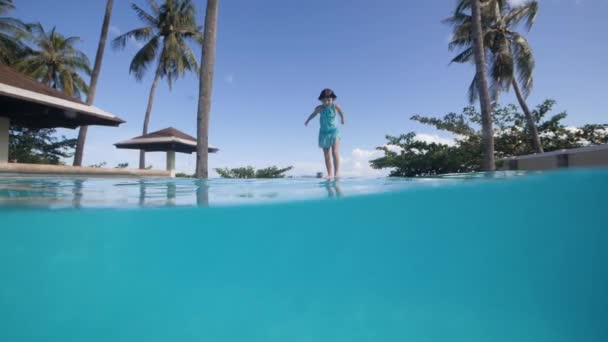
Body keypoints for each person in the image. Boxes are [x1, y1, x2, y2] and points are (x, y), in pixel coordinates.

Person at [304, 88, 345, 179]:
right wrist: (308, 120)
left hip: (334, 132)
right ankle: (330, 174)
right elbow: (313, 114)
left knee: (335, 151)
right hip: (323, 133)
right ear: (321, 100)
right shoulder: (319, 108)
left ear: (332, 99)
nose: (326, 102)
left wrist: (342, 119)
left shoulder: (335, 107)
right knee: (326, 154)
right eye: (324, 100)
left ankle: (337, 173)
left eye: (329, 100)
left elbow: (341, 113)